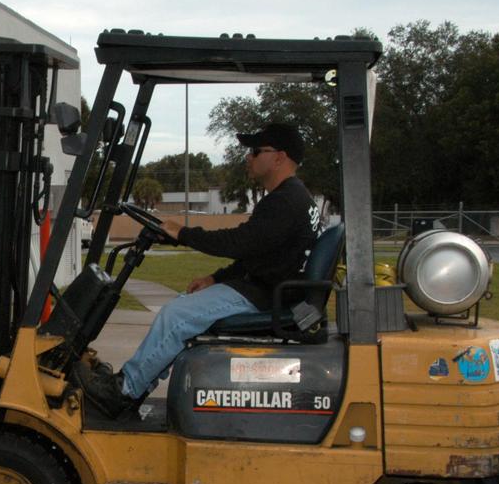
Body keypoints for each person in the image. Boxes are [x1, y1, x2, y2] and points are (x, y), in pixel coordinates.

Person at [83, 122, 321, 417]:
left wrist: (183, 233)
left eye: (255, 151)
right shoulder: (293, 197)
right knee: (183, 307)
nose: (248, 157)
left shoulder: (285, 201)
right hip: (268, 288)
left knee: (176, 316)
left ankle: (123, 393)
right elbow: (258, 253)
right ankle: (134, 387)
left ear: (278, 157)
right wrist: (214, 278)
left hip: (267, 295)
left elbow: (238, 242)